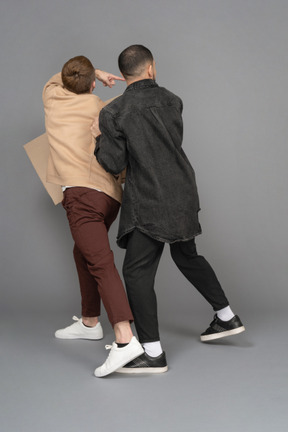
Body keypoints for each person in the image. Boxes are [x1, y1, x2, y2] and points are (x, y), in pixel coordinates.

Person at [94, 45, 245, 374]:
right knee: (186, 255)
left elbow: (114, 161)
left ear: (125, 74)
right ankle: (226, 316)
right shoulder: (172, 100)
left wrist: (98, 140)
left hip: (150, 199)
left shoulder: (114, 112)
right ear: (151, 69)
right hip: (183, 191)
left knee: (136, 273)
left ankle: (152, 353)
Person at [42, 55, 143, 378]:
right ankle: (89, 321)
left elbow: (53, 80)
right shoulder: (100, 108)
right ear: (90, 85)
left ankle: (126, 341)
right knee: (83, 252)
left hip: (82, 197)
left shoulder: (52, 100)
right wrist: (94, 79)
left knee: (99, 261)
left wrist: (93, 72)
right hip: (110, 197)